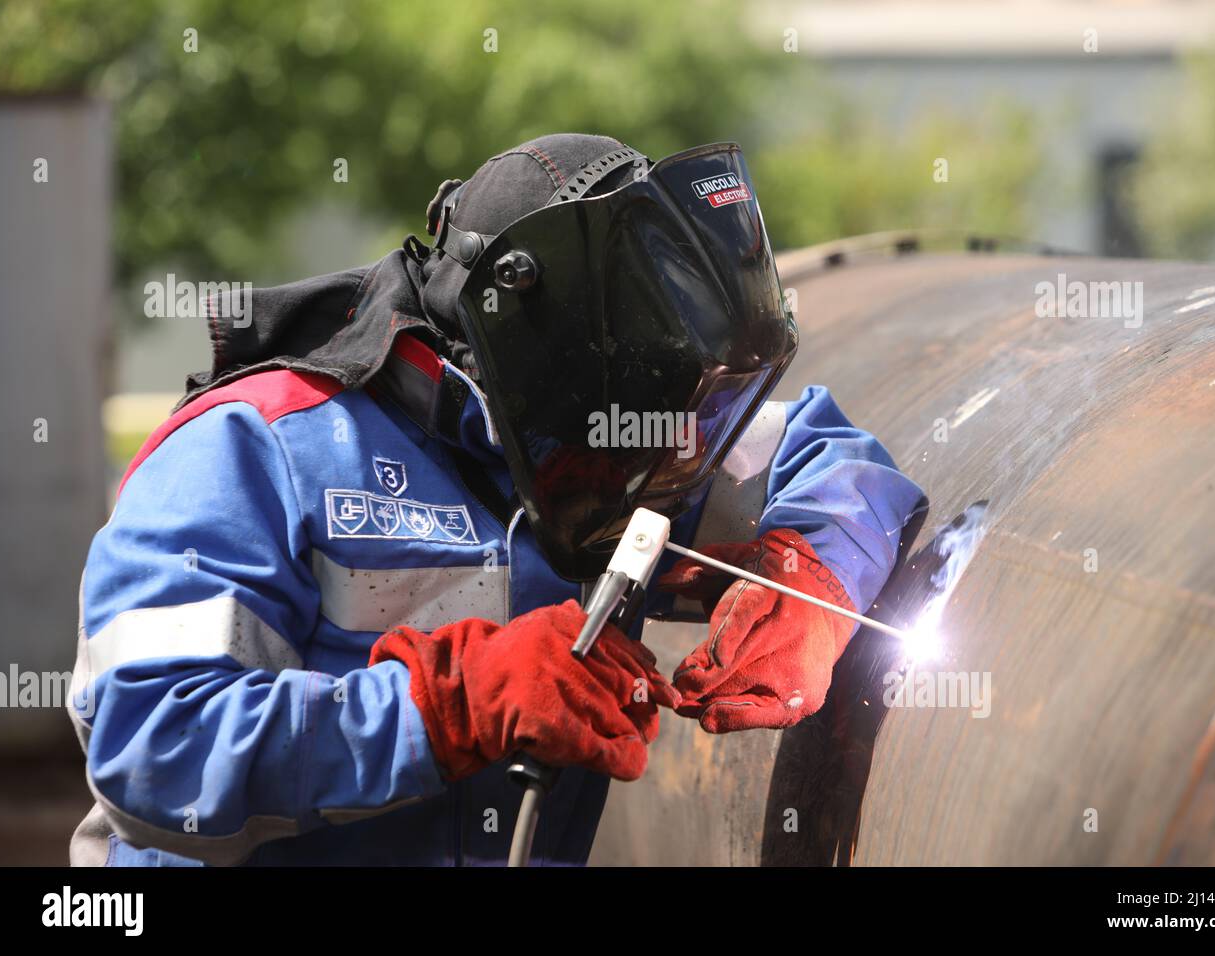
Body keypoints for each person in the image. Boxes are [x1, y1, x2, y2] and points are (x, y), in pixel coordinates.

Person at [68, 134, 925, 866]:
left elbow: (829, 459)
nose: (649, 453)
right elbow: (151, 745)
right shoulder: (255, 447)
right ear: (524, 348)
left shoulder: (610, 442)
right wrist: (446, 707)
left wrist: (813, 577)